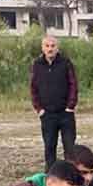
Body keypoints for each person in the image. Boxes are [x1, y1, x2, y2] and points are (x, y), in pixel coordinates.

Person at [30, 34, 78, 171]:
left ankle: (70, 177)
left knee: (70, 148)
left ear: (57, 48)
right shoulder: (37, 64)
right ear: (42, 48)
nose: (50, 49)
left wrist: (71, 106)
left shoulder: (66, 63)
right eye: (47, 46)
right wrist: (39, 109)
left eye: (53, 46)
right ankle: (50, 179)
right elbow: (33, 87)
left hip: (65, 113)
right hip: (47, 114)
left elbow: (73, 84)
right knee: (49, 148)